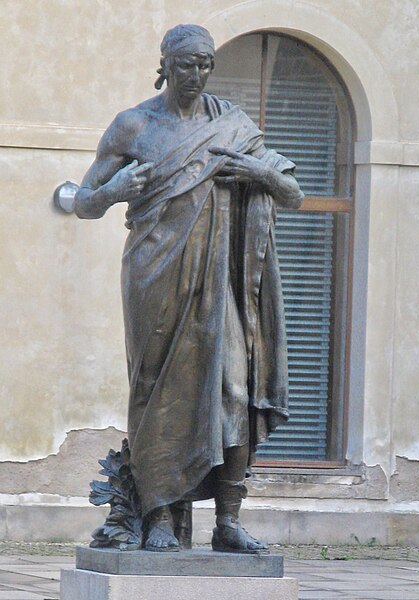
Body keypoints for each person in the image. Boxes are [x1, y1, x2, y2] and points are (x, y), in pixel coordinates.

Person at [75, 24, 304, 553]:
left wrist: (257, 172)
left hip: (223, 281)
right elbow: (82, 200)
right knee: (158, 392)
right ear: (165, 64)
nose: (196, 75)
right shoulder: (134, 125)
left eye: (204, 64)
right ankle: (158, 515)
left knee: (234, 390)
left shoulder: (234, 126)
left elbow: (290, 193)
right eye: (186, 65)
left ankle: (228, 518)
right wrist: (112, 190)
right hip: (154, 274)